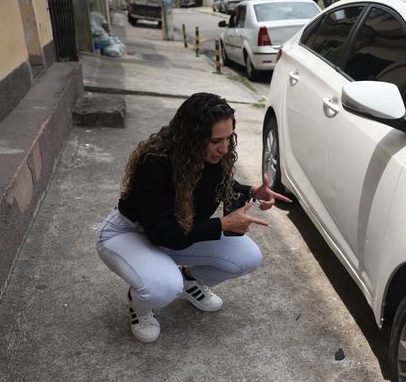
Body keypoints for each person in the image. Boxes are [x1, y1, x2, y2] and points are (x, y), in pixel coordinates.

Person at [95, 92, 290, 342]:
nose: (225, 147)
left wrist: (252, 191)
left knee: (247, 257)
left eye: (229, 137)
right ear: (192, 137)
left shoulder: (212, 156)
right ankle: (139, 304)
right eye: (216, 140)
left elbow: (217, 185)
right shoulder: (155, 162)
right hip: (130, 233)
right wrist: (223, 224)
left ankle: (190, 280)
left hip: (177, 232)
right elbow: (162, 233)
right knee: (165, 285)